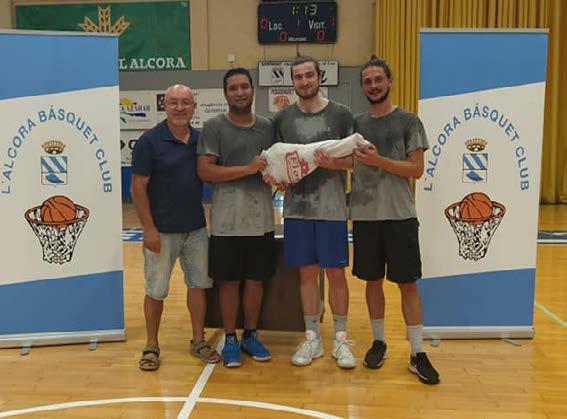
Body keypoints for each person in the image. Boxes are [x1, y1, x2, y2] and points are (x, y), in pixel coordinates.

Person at [351, 56, 440, 384]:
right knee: (372, 282)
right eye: (367, 81)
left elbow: (416, 169)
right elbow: (348, 162)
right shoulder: (356, 124)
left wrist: (379, 160)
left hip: (400, 215)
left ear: (389, 81)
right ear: (362, 87)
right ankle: (379, 342)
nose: (373, 85)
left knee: (407, 284)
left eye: (378, 79)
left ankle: (417, 352)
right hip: (365, 216)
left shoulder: (408, 121)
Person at [272, 56, 356, 369]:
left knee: (336, 274)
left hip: (332, 208)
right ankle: (312, 339)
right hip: (297, 209)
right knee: (306, 275)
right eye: (298, 77)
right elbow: (277, 162)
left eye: (309, 75)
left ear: (319, 77)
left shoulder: (341, 114)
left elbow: (356, 160)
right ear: (292, 82)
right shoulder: (283, 119)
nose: (304, 81)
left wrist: (336, 163)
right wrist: (278, 178)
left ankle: (341, 339)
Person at [131, 84, 221, 371]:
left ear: (194, 107)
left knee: (198, 286)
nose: (180, 108)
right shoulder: (149, 142)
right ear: (164, 106)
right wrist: (148, 229)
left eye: (185, 102)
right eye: (173, 102)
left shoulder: (201, 140)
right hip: (161, 232)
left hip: (196, 230)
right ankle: (151, 345)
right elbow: (138, 187)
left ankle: (198, 340)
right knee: (156, 290)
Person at [197, 68, 275, 368]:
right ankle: (230, 338)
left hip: (261, 219)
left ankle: (250, 336)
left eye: (244, 86)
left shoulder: (267, 127)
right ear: (225, 93)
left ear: (253, 89)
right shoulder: (213, 127)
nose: (239, 92)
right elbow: (205, 171)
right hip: (226, 222)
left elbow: (275, 165)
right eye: (233, 88)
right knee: (228, 283)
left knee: (255, 281)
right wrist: (248, 169)